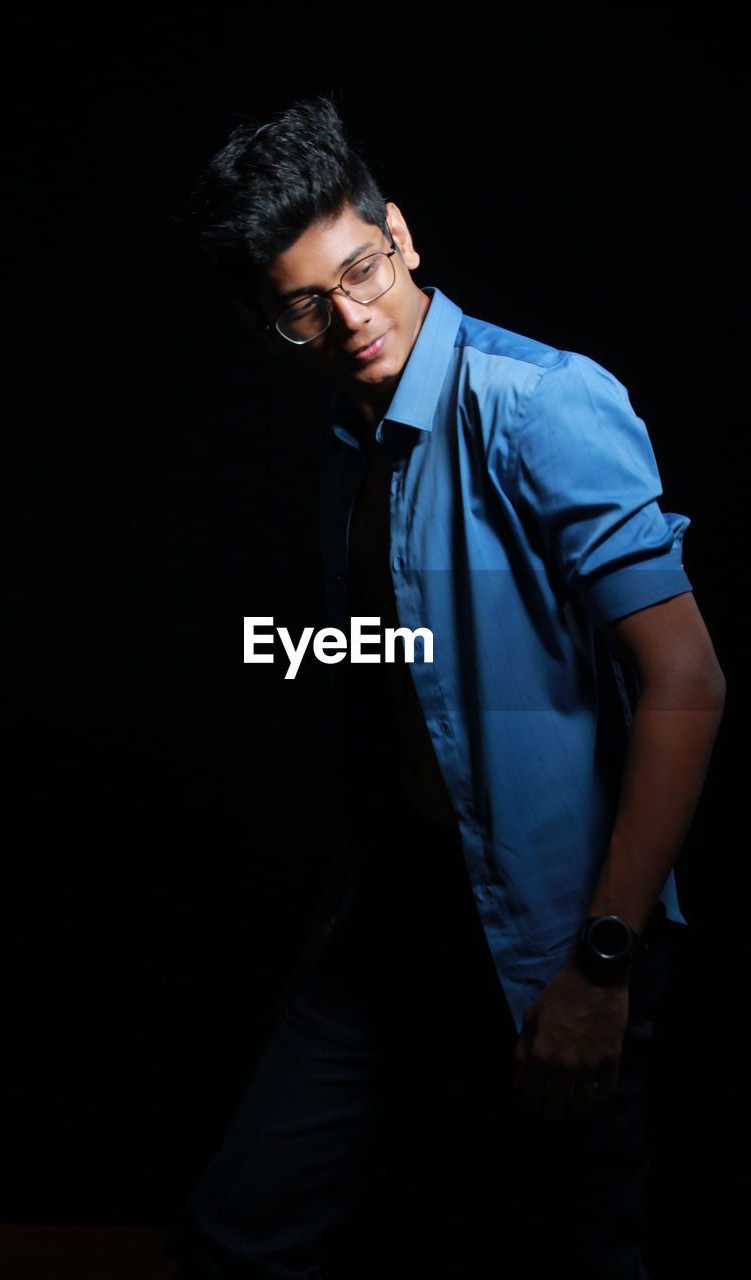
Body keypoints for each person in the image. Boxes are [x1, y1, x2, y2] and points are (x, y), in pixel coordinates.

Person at [174, 98, 726, 1278]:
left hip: (562, 927)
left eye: (361, 270)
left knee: (563, 1248)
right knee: (244, 1219)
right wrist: (341, 905)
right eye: (303, 306)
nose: (351, 317)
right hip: (405, 910)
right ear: (265, 320)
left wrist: (602, 961)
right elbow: (400, 687)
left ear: (403, 235)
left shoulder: (540, 403)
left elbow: (687, 676)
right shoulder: (345, 445)